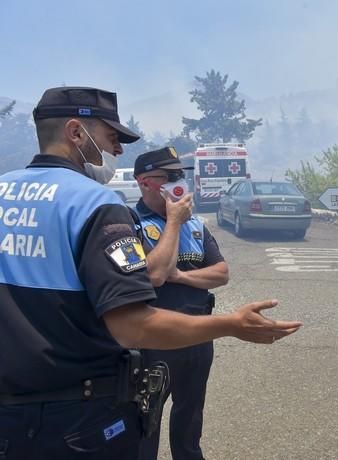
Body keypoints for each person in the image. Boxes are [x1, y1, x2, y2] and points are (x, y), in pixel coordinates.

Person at [0, 86, 302, 460]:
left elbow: (218, 270)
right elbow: (132, 326)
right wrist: (232, 324)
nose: (117, 151)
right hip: (78, 418)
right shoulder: (95, 204)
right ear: (75, 133)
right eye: (111, 138)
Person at [133, 146, 224, 460]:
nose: (177, 182)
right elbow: (155, 275)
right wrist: (172, 224)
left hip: (198, 334)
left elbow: (222, 273)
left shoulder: (195, 224)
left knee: (190, 415)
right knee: (147, 418)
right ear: (144, 182)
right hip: (156, 337)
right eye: (168, 176)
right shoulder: (132, 221)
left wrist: (182, 277)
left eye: (180, 175)